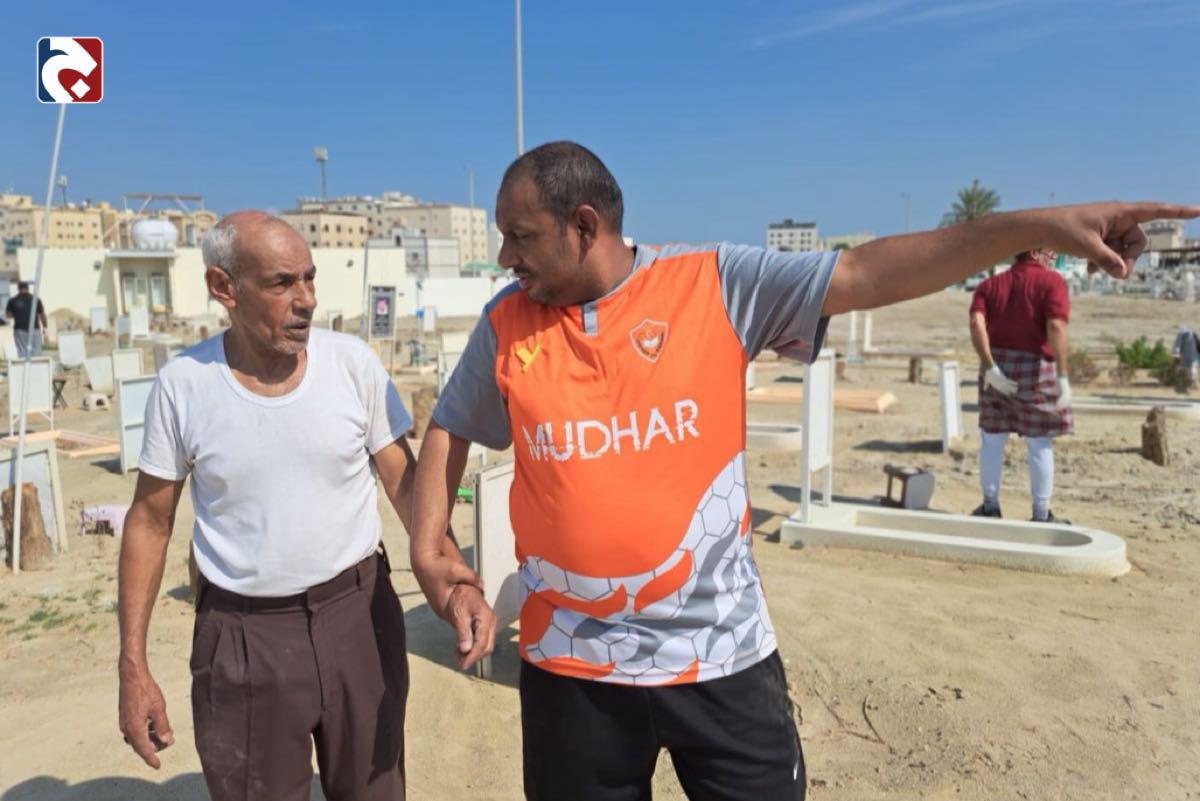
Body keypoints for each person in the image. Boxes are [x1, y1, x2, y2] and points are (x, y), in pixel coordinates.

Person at [410, 140, 1197, 801]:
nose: (505, 256)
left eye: (520, 236)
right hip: (572, 668)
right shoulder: (507, 322)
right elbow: (450, 425)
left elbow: (868, 273)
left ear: (584, 226)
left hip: (719, 655)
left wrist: (1038, 226)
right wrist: (430, 548)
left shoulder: (713, 283)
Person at [116, 211, 490, 801]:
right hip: (243, 638)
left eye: (310, 278)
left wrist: (455, 585)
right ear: (223, 287)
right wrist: (132, 665)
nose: (307, 300)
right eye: (282, 283)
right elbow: (149, 522)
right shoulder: (184, 385)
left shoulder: (352, 365)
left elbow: (408, 489)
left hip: (359, 617)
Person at [968, 247, 1073, 522]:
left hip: (996, 366)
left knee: (992, 439)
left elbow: (976, 322)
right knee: (1039, 442)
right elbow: (1056, 327)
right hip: (1036, 369)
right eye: (1050, 252)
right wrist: (1063, 375)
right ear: (1036, 251)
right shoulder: (1052, 282)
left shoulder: (990, 285)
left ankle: (990, 508)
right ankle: (1041, 514)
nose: (1053, 257)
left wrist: (990, 367)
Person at [5, 281, 48, 357]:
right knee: (36, 352)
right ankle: (36, 364)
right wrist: (45, 327)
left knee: (22, 352)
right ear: (28, 288)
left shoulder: (12, 300)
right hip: (34, 329)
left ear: (18, 288)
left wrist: (17, 312)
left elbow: (8, 315)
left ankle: (24, 365)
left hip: (20, 330)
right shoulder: (36, 300)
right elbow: (42, 315)